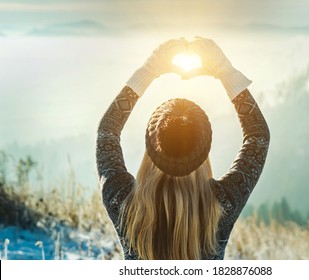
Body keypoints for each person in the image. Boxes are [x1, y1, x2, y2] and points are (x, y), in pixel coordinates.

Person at [96, 37, 270, 260]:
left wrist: (149, 71)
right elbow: (258, 136)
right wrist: (225, 72)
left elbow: (107, 133)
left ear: (151, 147)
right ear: (203, 152)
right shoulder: (222, 205)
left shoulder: (123, 202)